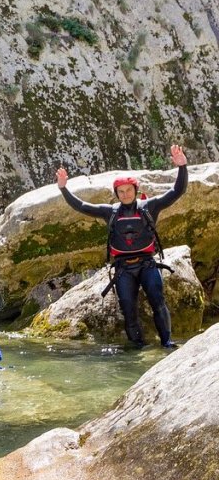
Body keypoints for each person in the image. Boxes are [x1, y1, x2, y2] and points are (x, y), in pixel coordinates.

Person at [56, 144, 188, 348]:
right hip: (123, 269)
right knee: (127, 308)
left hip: (147, 264)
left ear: (136, 190)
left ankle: (167, 343)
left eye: (128, 190)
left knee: (158, 302)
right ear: (116, 193)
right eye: (121, 191)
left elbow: (177, 191)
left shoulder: (150, 207)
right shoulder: (109, 212)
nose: (125, 194)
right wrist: (63, 188)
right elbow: (81, 206)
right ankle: (138, 347)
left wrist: (182, 167)